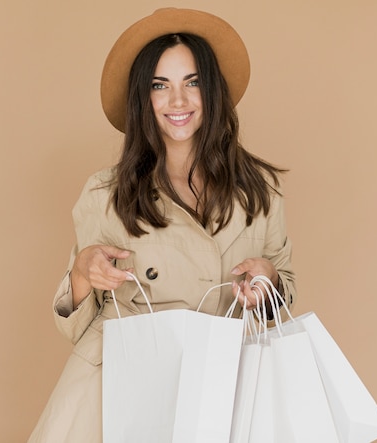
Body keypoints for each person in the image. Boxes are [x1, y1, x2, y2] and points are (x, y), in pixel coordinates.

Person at [28, 8, 296, 442]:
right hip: (123, 386)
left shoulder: (258, 189)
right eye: (160, 86)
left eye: (192, 83)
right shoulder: (106, 193)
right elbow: (75, 326)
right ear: (143, 98)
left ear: (212, 92)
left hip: (223, 385)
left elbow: (281, 292)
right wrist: (83, 272)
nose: (178, 101)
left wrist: (267, 282)